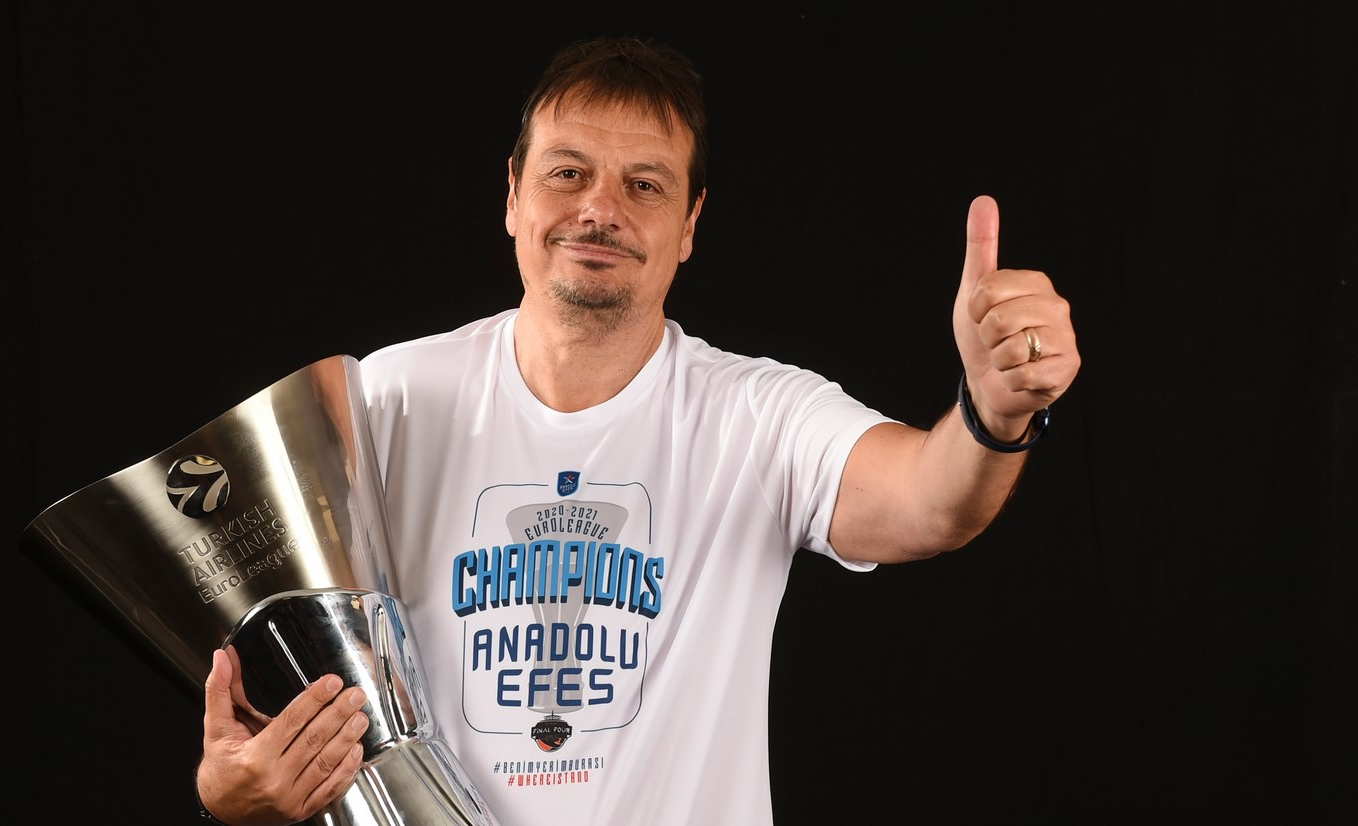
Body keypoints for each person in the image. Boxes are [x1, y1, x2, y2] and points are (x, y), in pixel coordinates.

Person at [195, 34, 1080, 826]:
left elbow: (928, 504)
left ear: (689, 225)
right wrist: (230, 791)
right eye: (567, 173)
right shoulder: (381, 404)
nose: (600, 208)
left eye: (644, 185)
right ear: (513, 196)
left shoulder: (756, 416)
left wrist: (993, 413)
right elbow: (274, 704)